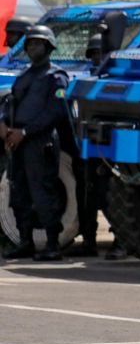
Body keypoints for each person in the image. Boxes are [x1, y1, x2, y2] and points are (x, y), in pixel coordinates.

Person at [1, 25, 70, 261]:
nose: (32, 48)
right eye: (29, 44)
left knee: (43, 193)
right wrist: (4, 125)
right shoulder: (24, 76)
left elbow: (56, 111)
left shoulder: (56, 77)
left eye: (37, 43)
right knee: (18, 193)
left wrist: (25, 131)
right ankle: (25, 241)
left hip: (40, 142)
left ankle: (52, 245)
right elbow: (10, 104)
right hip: (17, 141)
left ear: (48, 47)